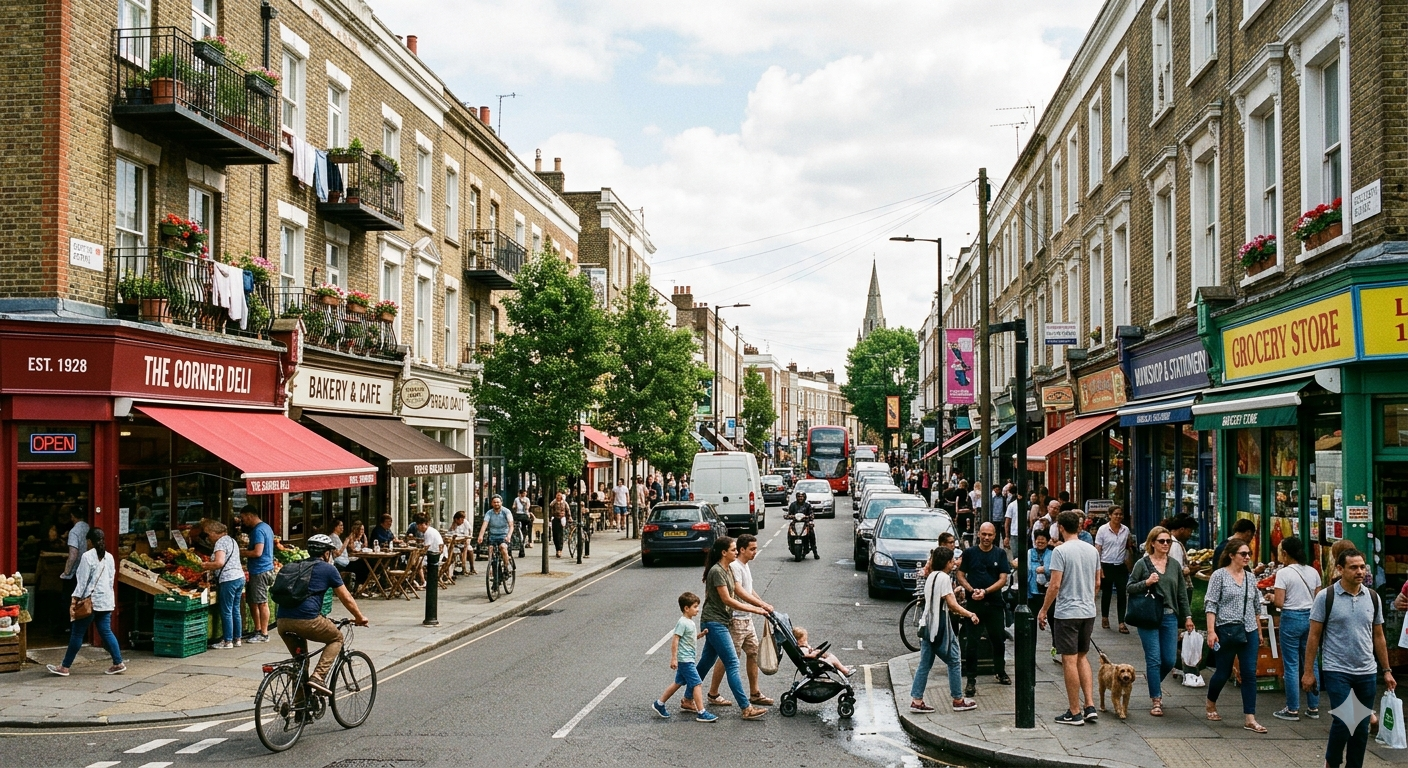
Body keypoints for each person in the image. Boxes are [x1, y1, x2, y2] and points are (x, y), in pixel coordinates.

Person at [1304, 548, 1394, 768]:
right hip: (1337, 669)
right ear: (1340, 569)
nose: (1360, 571)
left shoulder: (1372, 597)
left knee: (1361, 727)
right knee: (1345, 720)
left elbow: (1378, 636)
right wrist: (1308, 672)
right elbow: (1314, 636)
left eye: (1362, 567)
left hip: (1366, 671)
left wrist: (1387, 670)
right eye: (1354, 567)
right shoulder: (1326, 597)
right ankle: (1332, 762)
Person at [275, 534, 369, 695]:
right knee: (336, 638)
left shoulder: (293, 565)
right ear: (326, 553)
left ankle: (299, 707)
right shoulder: (328, 569)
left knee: (300, 662)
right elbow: (346, 597)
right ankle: (319, 676)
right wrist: (360, 617)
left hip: (282, 621)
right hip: (307, 620)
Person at [1038, 511, 1101, 726]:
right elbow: (1097, 583)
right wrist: (1088, 601)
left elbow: (1054, 584)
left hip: (1067, 612)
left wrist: (1044, 610)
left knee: (1069, 659)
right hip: (1088, 611)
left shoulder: (1060, 551)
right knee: (1083, 657)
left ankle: (1074, 711)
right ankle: (1090, 706)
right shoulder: (1092, 551)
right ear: (1080, 527)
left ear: (1061, 528)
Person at [694, 537, 768, 720]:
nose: (737, 552)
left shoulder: (727, 569)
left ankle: (688, 698)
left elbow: (741, 591)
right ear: (723, 552)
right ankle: (746, 707)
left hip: (719, 621)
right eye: (734, 550)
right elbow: (728, 599)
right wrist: (756, 609)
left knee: (705, 662)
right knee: (733, 663)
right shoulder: (718, 571)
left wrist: (761, 605)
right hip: (714, 622)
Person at [1126, 526, 1193, 717]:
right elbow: (1129, 587)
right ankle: (1156, 699)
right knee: (1154, 658)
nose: (1165, 544)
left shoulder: (1174, 565)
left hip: (1169, 616)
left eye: (1168, 541)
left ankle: (1153, 678)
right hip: (1148, 616)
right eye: (1162, 541)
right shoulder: (1142, 564)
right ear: (1152, 543)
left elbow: (1181, 594)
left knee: (1169, 659)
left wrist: (1187, 616)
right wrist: (1146, 583)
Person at [1203, 539, 1266, 733]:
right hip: (1226, 629)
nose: (1247, 557)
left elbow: (1256, 606)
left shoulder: (1250, 577)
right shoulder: (1219, 576)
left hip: (1249, 629)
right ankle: (1210, 703)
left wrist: (1259, 629)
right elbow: (1211, 604)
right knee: (1223, 672)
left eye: (1248, 554)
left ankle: (1250, 717)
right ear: (1232, 555)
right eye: (1243, 554)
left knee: (1249, 673)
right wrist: (1211, 631)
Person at [707, 533, 776, 707]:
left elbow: (749, 590)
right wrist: (758, 608)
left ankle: (755, 693)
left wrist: (763, 604)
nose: (755, 552)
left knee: (753, 653)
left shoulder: (745, 566)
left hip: (747, 619)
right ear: (742, 549)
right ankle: (713, 694)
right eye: (752, 549)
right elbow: (738, 592)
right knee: (728, 658)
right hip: (736, 619)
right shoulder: (735, 566)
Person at [911, 545, 980, 713]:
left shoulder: (931, 576)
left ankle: (917, 700)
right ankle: (958, 699)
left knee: (924, 664)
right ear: (947, 562)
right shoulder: (943, 578)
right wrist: (970, 614)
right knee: (954, 660)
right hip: (940, 626)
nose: (954, 563)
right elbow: (951, 604)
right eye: (952, 560)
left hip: (927, 625)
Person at [46, 528, 124, 676]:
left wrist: (75, 599)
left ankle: (64, 667)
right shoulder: (110, 557)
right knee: (106, 632)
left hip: (90, 600)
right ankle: (118, 662)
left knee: (77, 634)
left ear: (89, 541)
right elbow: (110, 579)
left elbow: (81, 582)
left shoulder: (87, 557)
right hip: (106, 600)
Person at [955, 522, 1011, 696]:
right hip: (974, 606)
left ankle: (1000, 671)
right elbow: (960, 575)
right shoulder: (970, 553)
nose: (986, 538)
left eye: (990, 535)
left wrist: (986, 591)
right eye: (984, 534)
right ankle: (971, 680)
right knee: (972, 643)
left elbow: (1003, 579)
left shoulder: (1000, 554)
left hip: (994, 604)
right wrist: (972, 590)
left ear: (995, 536)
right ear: (978, 534)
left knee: (998, 640)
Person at [1272, 536, 1321, 721]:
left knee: (1291, 665)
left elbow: (1279, 602)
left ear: (1285, 553)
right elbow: (1319, 600)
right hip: (1311, 618)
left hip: (1291, 618)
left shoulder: (1283, 574)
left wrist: (1271, 598)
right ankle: (1313, 707)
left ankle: (1292, 709)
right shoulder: (1313, 572)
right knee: (1311, 662)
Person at [652, 592, 717, 722]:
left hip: (687, 659)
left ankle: (659, 704)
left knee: (678, 683)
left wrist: (701, 634)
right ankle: (702, 712)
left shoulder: (689, 622)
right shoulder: (682, 622)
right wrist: (674, 658)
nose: (697, 609)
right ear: (686, 608)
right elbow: (675, 639)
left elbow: (689, 639)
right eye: (695, 607)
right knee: (697, 684)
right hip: (685, 660)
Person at [200, 519, 245, 650]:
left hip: (228, 579)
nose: (208, 538)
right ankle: (237, 639)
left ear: (215, 532)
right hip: (239, 577)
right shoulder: (232, 540)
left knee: (226, 611)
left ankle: (227, 641)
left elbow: (219, 563)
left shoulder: (220, 543)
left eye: (208, 534)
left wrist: (205, 565)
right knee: (235, 609)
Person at [238, 507, 276, 644]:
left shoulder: (258, 530)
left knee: (261, 602)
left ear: (249, 516)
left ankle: (264, 633)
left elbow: (257, 552)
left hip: (260, 570)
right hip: (263, 569)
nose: (243, 521)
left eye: (243, 518)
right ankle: (258, 629)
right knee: (254, 601)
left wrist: (240, 552)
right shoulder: (266, 527)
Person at [1095, 506, 1134, 634]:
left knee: (1122, 593)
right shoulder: (1103, 530)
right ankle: (1105, 617)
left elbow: (1128, 547)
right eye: (1115, 514)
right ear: (1110, 515)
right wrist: (1099, 568)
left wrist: (1129, 562)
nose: (1118, 516)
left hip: (1120, 565)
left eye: (1120, 514)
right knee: (1107, 593)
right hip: (1106, 564)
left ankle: (1121, 622)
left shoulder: (1125, 530)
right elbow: (1098, 549)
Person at [58, 507, 90, 616]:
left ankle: (69, 625)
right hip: (87, 569)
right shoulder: (89, 528)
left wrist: (66, 572)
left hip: (75, 572)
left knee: (69, 600)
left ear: (72, 516)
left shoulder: (74, 531)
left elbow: (73, 555)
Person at [477, 495, 514, 568]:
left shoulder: (506, 511)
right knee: (490, 549)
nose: (496, 504)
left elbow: (511, 525)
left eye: (498, 502)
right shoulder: (489, 513)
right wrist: (480, 536)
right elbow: (484, 524)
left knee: (503, 547)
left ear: (501, 503)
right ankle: (490, 568)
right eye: (494, 502)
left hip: (504, 535)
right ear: (492, 503)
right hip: (493, 535)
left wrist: (509, 536)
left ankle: (506, 566)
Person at [415, 514, 444, 589]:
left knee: (417, 561)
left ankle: (423, 581)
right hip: (436, 554)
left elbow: (426, 548)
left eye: (420, 525)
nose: (418, 527)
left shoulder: (428, 532)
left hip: (434, 556)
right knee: (416, 559)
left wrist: (417, 551)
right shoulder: (431, 530)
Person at [785, 492, 818, 558]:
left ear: (804, 497)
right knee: (789, 531)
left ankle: (815, 552)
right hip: (795, 523)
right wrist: (788, 516)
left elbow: (811, 513)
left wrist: (810, 516)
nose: (800, 498)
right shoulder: (793, 505)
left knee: (811, 533)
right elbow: (789, 513)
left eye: (802, 497)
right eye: (799, 496)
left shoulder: (807, 505)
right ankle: (791, 544)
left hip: (805, 523)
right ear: (796, 497)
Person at [550, 492, 569, 558]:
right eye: (557, 495)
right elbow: (550, 507)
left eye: (559, 496)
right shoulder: (554, 502)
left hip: (562, 518)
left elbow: (567, 510)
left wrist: (569, 517)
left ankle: (560, 549)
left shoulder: (564, 503)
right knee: (555, 534)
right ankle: (557, 549)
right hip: (555, 518)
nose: (558, 497)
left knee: (560, 534)